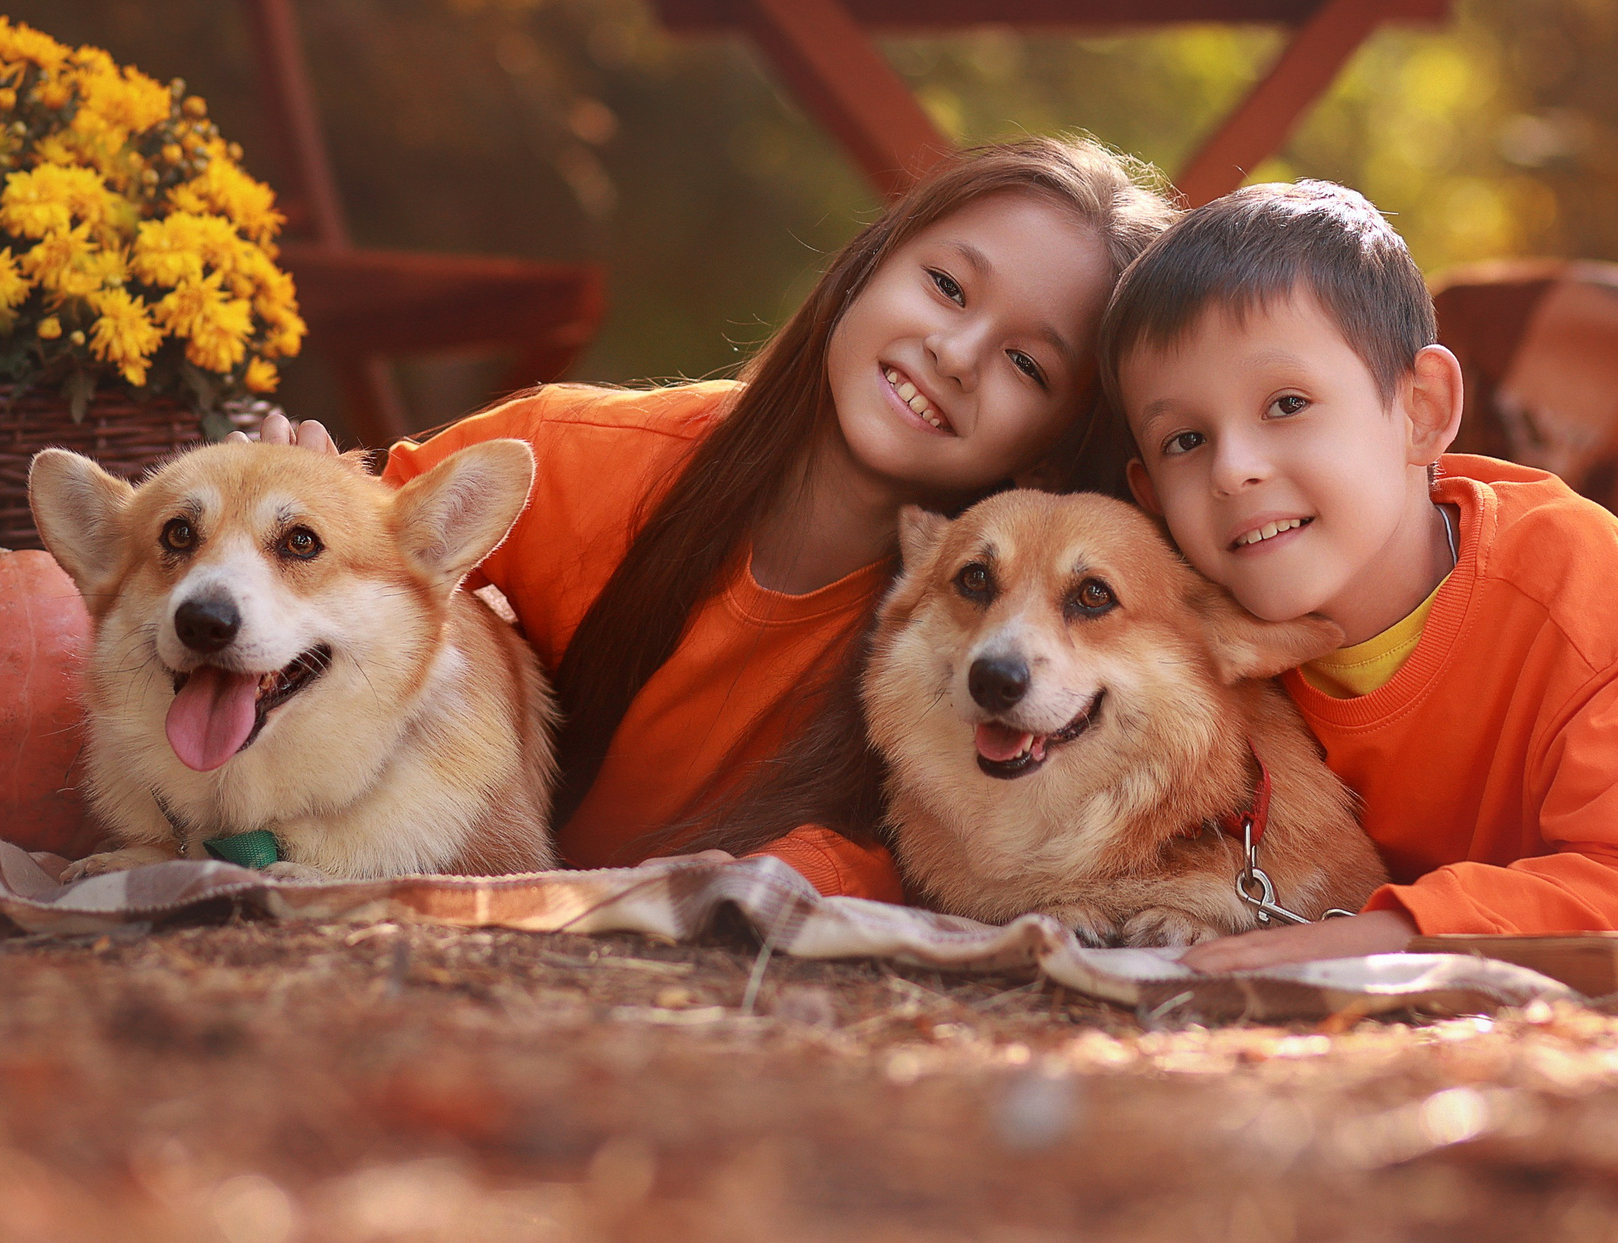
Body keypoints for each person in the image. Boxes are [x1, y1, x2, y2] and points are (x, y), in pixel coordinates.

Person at [351, 138, 1176, 893]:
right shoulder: (572, 456)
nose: (956, 356)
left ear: (1049, 451)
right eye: (948, 287)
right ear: (867, 267)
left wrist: (773, 875)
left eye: (1026, 363)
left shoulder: (1012, 652)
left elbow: (932, 845)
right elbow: (346, 550)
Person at [1098, 181, 1618, 972]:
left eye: (1286, 403)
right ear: (1149, 497)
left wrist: (1380, 937)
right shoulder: (1188, 637)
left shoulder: (1566, 575)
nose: (1233, 470)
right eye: (1186, 440)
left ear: (1422, 410)